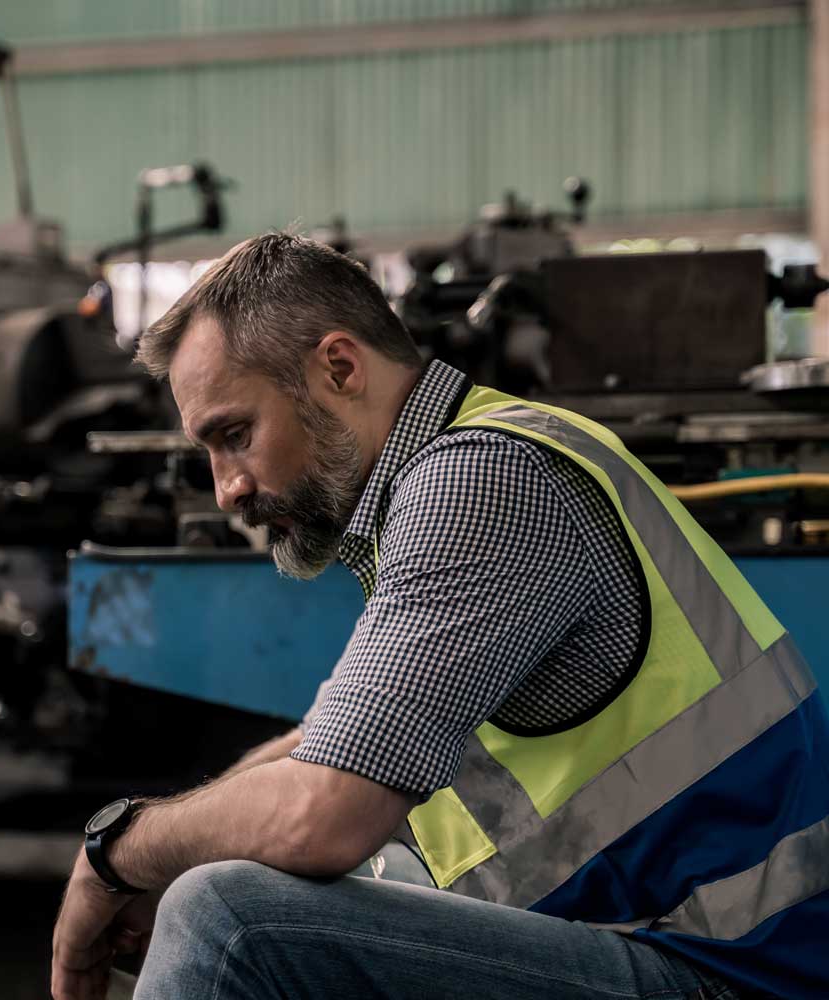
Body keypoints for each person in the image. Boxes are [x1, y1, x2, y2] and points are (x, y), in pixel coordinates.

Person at [51, 233, 829, 1000]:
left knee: (223, 919)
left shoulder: (481, 480)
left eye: (234, 436)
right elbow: (324, 748)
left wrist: (116, 853)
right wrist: (174, 847)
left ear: (340, 367)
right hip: (658, 942)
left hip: (735, 976)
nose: (227, 490)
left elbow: (324, 813)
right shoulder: (438, 483)